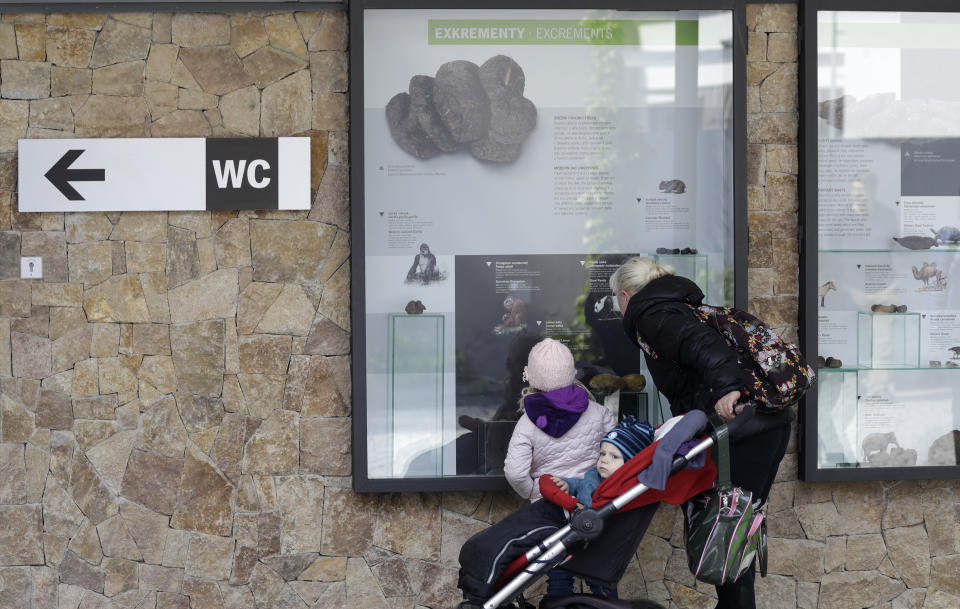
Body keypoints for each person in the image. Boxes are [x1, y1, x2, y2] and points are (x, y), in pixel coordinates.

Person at [609, 256, 791, 609]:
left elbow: (704, 346)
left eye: (616, 297)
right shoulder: (677, 305)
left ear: (627, 294)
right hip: (765, 426)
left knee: (725, 530)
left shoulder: (651, 314)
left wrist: (727, 389)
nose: (617, 307)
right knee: (736, 530)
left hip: (741, 433)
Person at [458, 416, 654, 605]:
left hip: (593, 541)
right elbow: (582, 484)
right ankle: (556, 604)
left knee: (599, 583)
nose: (603, 460)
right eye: (602, 453)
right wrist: (567, 485)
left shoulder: (621, 488)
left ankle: (608, 604)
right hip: (571, 534)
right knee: (555, 569)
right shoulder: (596, 475)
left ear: (630, 465)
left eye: (614, 456)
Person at [503, 337, 617, 597]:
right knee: (600, 575)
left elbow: (515, 472)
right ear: (571, 373)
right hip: (596, 506)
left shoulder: (527, 424)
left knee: (558, 575)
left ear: (531, 377)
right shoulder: (599, 413)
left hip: (552, 510)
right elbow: (619, 454)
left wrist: (535, 492)